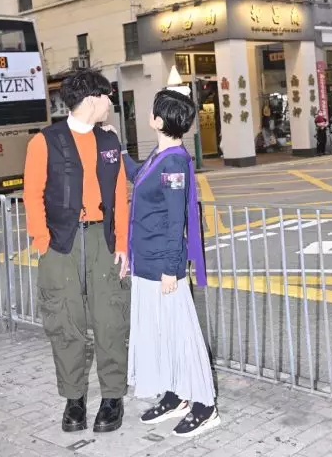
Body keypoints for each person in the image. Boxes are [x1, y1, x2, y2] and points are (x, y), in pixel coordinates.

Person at [23, 69, 130, 434]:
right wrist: (42, 242)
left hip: (103, 240)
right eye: (106, 96)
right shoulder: (44, 141)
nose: (110, 103)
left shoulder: (109, 141)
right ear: (91, 99)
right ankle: (74, 400)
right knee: (65, 323)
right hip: (61, 244)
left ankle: (112, 398)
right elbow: (32, 194)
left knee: (110, 321)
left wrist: (122, 244)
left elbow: (119, 195)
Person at [122, 88, 220, 438]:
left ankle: (205, 407)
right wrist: (119, 152)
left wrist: (169, 269)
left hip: (163, 267)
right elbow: (138, 178)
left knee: (181, 336)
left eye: (152, 111)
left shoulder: (174, 162)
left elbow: (176, 219)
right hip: (146, 262)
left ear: (158, 120)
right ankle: (176, 395)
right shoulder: (159, 155)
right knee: (161, 334)